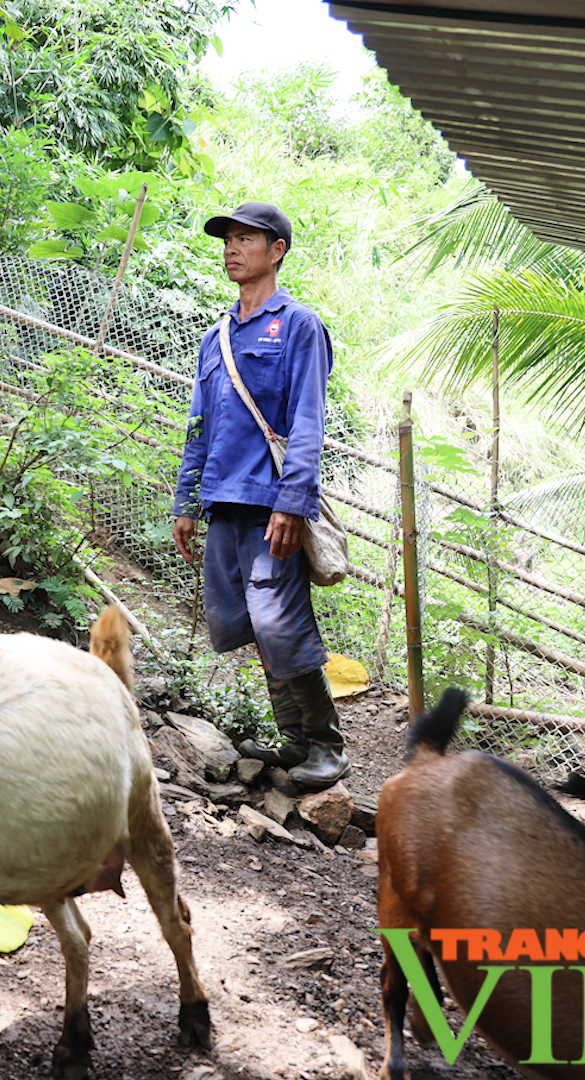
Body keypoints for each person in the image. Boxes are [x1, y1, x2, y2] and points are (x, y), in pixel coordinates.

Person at [171, 201, 347, 789]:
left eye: (248, 239)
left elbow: (308, 421)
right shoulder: (215, 337)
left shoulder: (299, 325)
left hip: (272, 502)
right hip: (223, 500)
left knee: (279, 621)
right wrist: (185, 501)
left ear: (277, 251)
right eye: (228, 239)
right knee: (240, 620)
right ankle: (294, 742)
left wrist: (294, 503)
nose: (233, 247)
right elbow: (199, 423)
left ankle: (325, 744)